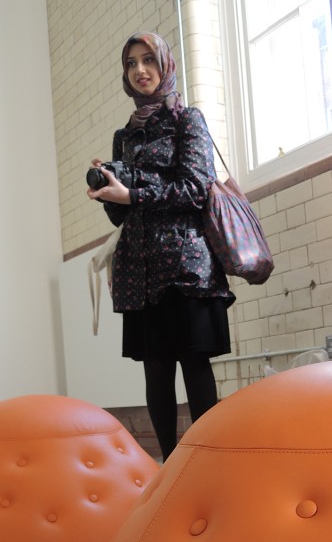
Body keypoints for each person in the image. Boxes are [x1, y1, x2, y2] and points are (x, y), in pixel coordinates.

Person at [87, 31, 234, 461]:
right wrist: (109, 194)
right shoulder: (124, 135)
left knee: (195, 367)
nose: (140, 70)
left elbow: (194, 189)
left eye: (148, 60)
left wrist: (133, 192)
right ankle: (169, 469)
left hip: (187, 268)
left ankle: (211, 464)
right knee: (155, 374)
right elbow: (123, 215)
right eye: (131, 63)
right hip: (141, 270)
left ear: (165, 64)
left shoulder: (188, 120)